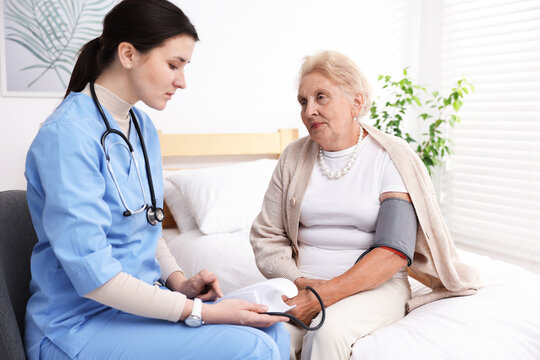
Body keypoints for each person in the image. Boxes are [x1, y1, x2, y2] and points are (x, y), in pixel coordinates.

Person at [24, 1, 289, 359]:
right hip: (77, 326)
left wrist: (181, 283)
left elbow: (148, 225)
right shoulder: (66, 136)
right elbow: (94, 276)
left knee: (273, 327)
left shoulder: (141, 127)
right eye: (173, 64)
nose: (182, 81)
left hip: (134, 311)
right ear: (128, 54)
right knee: (252, 347)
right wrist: (202, 313)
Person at [250, 50, 481, 360]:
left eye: (322, 97)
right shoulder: (293, 157)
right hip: (301, 283)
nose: (309, 111)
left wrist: (323, 295)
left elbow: (393, 253)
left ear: (356, 103)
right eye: (303, 102)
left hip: (376, 287)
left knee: (325, 332)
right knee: (262, 337)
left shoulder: (390, 156)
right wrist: (301, 283)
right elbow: (267, 236)